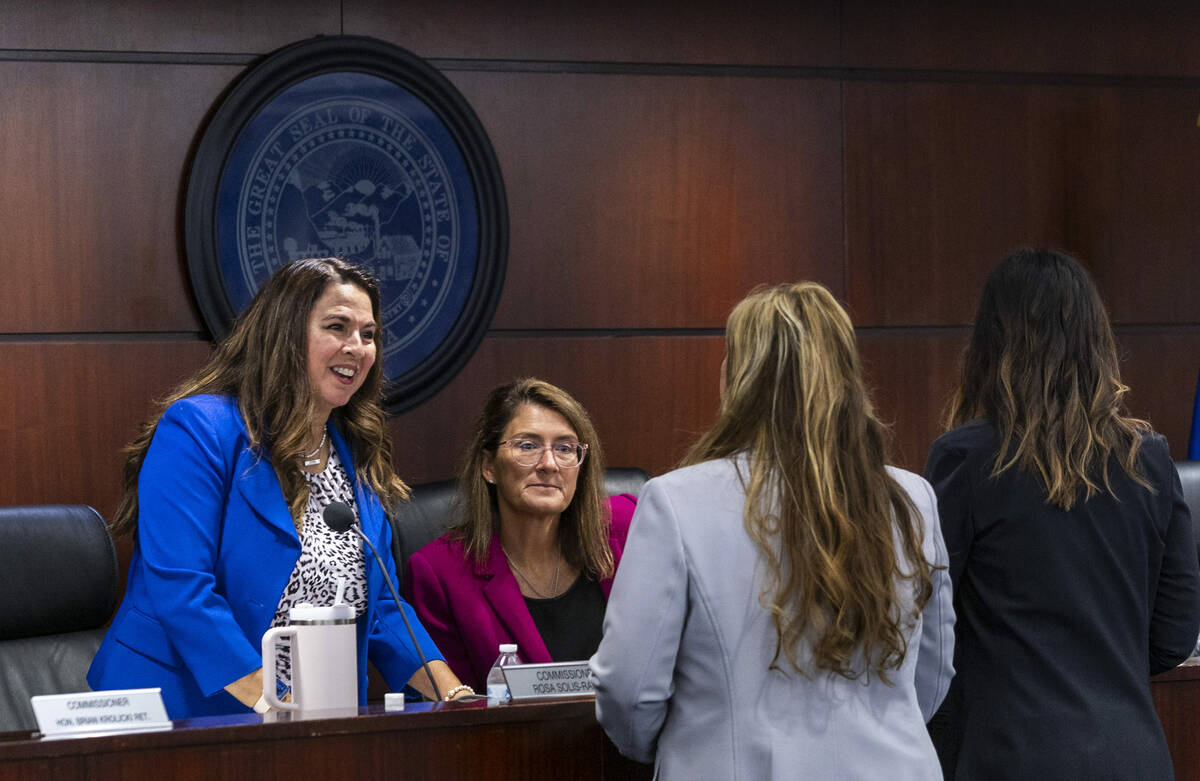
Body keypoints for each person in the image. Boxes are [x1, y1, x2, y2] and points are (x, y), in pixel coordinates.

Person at [591, 282, 955, 779]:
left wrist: (695, 744)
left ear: (741, 377)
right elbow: (931, 677)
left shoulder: (677, 502)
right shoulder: (911, 497)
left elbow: (628, 689)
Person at [88, 257, 468, 718]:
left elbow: (383, 603)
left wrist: (456, 696)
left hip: (303, 717)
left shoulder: (355, 450)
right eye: (337, 327)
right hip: (178, 706)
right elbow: (183, 590)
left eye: (368, 335)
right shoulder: (199, 430)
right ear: (284, 334)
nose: (358, 347)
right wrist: (277, 704)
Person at [924, 248, 1200, 779]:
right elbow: (1173, 636)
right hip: (1135, 758)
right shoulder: (1149, 459)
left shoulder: (965, 459)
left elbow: (931, 629)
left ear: (990, 344)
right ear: (1097, 343)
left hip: (1009, 757)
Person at [404, 378, 637, 691]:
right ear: (489, 466)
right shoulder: (440, 574)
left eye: (565, 448)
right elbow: (461, 712)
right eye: (527, 446)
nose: (549, 464)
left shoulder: (629, 525)